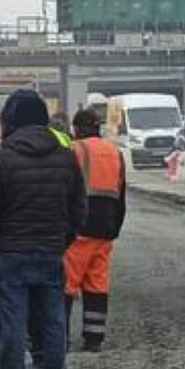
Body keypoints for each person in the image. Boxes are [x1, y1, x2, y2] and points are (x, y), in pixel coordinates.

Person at [0, 89, 85, 369]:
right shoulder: (66, 157)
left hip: (10, 254)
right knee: (53, 324)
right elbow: (79, 209)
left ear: (10, 121)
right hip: (50, 252)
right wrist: (62, 239)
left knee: (13, 326)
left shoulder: (0, 160)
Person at [65, 106, 128, 352]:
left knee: (66, 283)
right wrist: (115, 229)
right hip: (106, 229)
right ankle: (94, 339)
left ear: (77, 129)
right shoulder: (116, 153)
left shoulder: (75, 150)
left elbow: (67, 190)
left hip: (81, 227)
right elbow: (121, 196)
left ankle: (61, 338)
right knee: (96, 283)